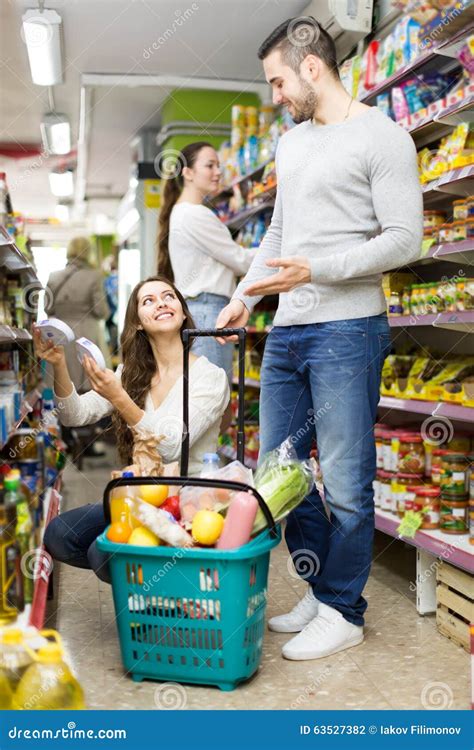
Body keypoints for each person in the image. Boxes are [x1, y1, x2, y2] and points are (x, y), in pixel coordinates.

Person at [217, 17, 423, 661]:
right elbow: (279, 235)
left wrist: (322, 269)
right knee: (277, 472)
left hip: (348, 327)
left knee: (345, 478)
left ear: (311, 68)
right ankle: (317, 586)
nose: (275, 94)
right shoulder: (291, 144)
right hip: (287, 330)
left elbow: (404, 239)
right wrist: (242, 296)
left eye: (278, 80)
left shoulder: (382, 137)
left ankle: (344, 610)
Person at [39, 276, 230, 583]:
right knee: (60, 535)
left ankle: (168, 584)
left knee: (102, 555)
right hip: (143, 497)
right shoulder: (131, 373)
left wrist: (118, 397)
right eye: (148, 300)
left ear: (183, 313)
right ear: (138, 322)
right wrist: (59, 364)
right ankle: (160, 574)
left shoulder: (209, 376)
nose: (161, 303)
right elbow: (74, 414)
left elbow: (169, 446)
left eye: (169, 296)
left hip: (189, 500)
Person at [157, 141, 257, 384]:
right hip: (208, 312)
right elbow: (239, 260)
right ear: (188, 173)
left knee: (205, 398)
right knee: (213, 399)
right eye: (209, 165)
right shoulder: (194, 214)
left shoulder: (181, 212)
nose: (218, 172)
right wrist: (279, 248)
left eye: (219, 166)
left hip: (201, 311)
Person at [45, 236, 110, 394]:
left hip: (61, 336)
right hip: (88, 336)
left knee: (64, 386)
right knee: (90, 389)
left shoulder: (54, 276)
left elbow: (48, 308)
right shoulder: (95, 276)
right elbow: (101, 311)